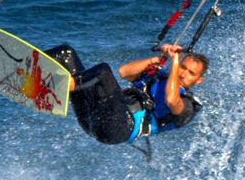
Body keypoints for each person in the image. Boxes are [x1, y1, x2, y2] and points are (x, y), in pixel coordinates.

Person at [42, 41, 208, 146]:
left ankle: (58, 85)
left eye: (191, 73)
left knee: (103, 73)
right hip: (92, 117)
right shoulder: (158, 77)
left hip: (117, 129)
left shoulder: (188, 107)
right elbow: (124, 72)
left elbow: (171, 99)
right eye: (182, 68)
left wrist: (177, 60)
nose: (183, 73)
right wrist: (159, 58)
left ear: (198, 80)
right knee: (66, 53)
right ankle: (32, 74)